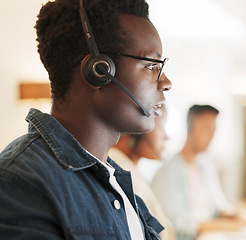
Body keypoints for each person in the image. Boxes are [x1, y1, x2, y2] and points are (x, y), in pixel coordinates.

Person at [0, 0, 171, 239]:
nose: (166, 83)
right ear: (99, 71)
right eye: (152, 65)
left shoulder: (117, 181)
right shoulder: (21, 181)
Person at [152, 105, 239, 240]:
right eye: (207, 129)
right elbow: (174, 221)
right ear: (190, 127)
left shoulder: (206, 168)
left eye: (214, 131)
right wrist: (223, 226)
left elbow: (218, 205)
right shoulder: (166, 173)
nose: (211, 136)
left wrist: (237, 216)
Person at [111, 105, 176, 240]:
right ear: (138, 128)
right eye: (161, 127)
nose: (166, 137)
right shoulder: (121, 170)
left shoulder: (130, 169)